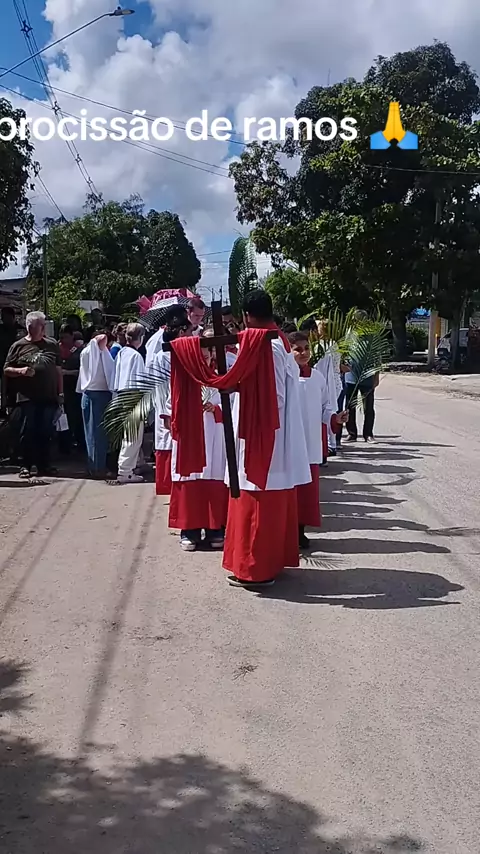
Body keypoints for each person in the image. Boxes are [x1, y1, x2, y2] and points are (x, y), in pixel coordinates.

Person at [223, 290, 311, 588]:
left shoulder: (266, 345)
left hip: (264, 434)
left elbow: (274, 396)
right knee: (266, 497)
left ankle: (255, 569)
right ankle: (270, 561)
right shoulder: (276, 340)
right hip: (274, 431)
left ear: (247, 316)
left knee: (257, 498)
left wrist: (238, 389)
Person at [168, 327, 228, 551]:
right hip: (190, 437)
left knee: (214, 479)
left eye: (207, 354)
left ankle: (215, 528)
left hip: (215, 436)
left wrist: (217, 408)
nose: (204, 359)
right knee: (190, 479)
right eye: (199, 356)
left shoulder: (221, 376)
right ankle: (189, 530)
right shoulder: (183, 377)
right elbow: (171, 405)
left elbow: (235, 402)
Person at [288, 332, 347, 548]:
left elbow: (325, 407)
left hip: (310, 442)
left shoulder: (318, 378)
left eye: (306, 348)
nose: (303, 353)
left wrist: (335, 418)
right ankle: (285, 532)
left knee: (306, 492)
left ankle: (300, 531)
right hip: (288, 443)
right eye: (298, 349)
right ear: (289, 351)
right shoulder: (284, 377)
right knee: (289, 490)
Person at [3, 311, 63, 478]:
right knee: (27, 432)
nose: (43, 328)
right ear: (30, 327)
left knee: (46, 431)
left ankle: (44, 465)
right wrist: (20, 371)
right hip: (27, 397)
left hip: (48, 395)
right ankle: (26, 465)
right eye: (40, 325)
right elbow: (6, 369)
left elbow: (58, 371)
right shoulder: (18, 346)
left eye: (43, 325)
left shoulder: (52, 344)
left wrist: (60, 392)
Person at [152, 312, 193, 496]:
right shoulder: (166, 355)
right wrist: (167, 410)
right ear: (181, 332)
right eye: (189, 332)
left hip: (173, 401)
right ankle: (169, 485)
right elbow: (165, 384)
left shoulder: (174, 353)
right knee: (168, 441)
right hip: (169, 402)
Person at [77, 331, 115, 477]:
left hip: (100, 394)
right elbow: (101, 338)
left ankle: (98, 465)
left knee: (99, 434)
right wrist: (97, 342)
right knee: (95, 434)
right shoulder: (90, 352)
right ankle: (97, 467)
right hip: (94, 394)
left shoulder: (99, 353)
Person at [114, 322, 147, 484]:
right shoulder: (136, 356)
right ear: (140, 338)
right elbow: (140, 382)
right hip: (133, 396)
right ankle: (126, 470)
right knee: (133, 437)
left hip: (121, 395)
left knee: (128, 436)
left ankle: (126, 469)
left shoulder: (121, 353)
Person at [58, 324, 85, 453]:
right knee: (62, 417)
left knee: (76, 417)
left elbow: (83, 371)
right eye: (61, 337)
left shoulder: (79, 351)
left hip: (75, 388)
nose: (63, 340)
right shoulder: (57, 349)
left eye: (66, 337)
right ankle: (64, 445)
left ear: (72, 336)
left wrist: (67, 372)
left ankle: (80, 443)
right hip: (61, 388)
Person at [345, 365, 377, 443]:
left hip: (367, 379)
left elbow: (377, 361)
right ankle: (351, 433)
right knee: (350, 407)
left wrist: (376, 377)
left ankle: (368, 434)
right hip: (350, 378)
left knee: (369, 407)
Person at [0, 307, 23, 413]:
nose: (3, 319)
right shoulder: (1, 329)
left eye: (5, 317)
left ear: (12, 317)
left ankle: (13, 409)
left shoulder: (20, 330)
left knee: (14, 389)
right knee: (3, 388)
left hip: (16, 364)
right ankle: (3, 407)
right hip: (2, 361)